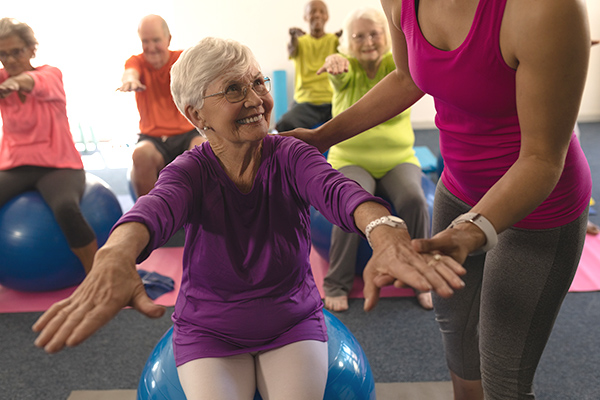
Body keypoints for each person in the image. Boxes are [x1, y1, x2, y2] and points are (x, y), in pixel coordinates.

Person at [31, 37, 466, 400]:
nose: (257, 98)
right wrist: (114, 254)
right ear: (196, 114)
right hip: (209, 329)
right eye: (234, 89)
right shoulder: (190, 170)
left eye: (258, 82)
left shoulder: (290, 153)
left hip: (291, 320)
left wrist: (382, 228)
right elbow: (155, 208)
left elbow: (338, 191)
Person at [283, 0, 592, 398]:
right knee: (458, 339)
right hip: (459, 189)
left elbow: (542, 159)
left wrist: (471, 230)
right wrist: (321, 136)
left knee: (504, 378)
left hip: (538, 207)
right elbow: (407, 78)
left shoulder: (544, 9)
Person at [317, 7, 432, 312]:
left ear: (387, 35)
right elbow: (337, 74)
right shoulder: (347, 69)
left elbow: (417, 68)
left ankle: (420, 274)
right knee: (351, 203)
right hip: (351, 158)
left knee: (415, 199)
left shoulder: (400, 66)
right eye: (359, 36)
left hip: (398, 158)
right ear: (348, 43)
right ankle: (336, 283)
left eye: (374, 34)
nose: (368, 41)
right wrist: (333, 63)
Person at [0, 18, 97, 273]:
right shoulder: (2, 78)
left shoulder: (50, 74)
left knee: (66, 207)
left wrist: (16, 83)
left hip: (59, 165)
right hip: (15, 166)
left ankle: (97, 276)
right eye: (3, 54)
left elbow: (36, 83)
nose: (9, 60)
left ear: (31, 50)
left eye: (16, 52)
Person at [117, 14, 206, 197]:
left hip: (187, 134)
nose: (150, 48)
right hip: (153, 139)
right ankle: (151, 220)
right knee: (140, 154)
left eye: (156, 40)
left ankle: (199, 216)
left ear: (168, 39)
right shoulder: (137, 61)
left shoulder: (182, 60)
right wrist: (130, 81)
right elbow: (130, 73)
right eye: (145, 41)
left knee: (204, 149)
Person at [274, 0, 341, 132]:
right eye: (312, 12)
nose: (317, 15)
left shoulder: (334, 40)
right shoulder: (299, 41)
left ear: (327, 16)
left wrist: (346, 38)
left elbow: (347, 53)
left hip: (332, 103)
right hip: (306, 104)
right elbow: (292, 50)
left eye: (321, 12)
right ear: (305, 17)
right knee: (283, 125)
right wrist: (293, 37)